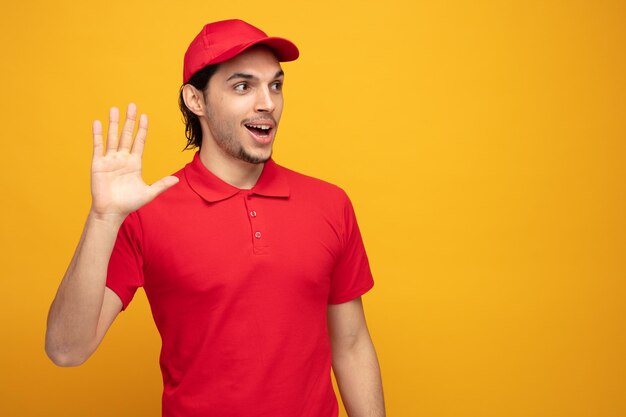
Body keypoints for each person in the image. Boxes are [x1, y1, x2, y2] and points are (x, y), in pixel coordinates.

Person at [46, 19, 385, 417]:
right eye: (243, 86)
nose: (267, 103)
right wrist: (103, 218)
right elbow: (66, 350)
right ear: (196, 100)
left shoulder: (330, 203)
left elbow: (352, 343)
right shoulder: (146, 212)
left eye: (275, 85)